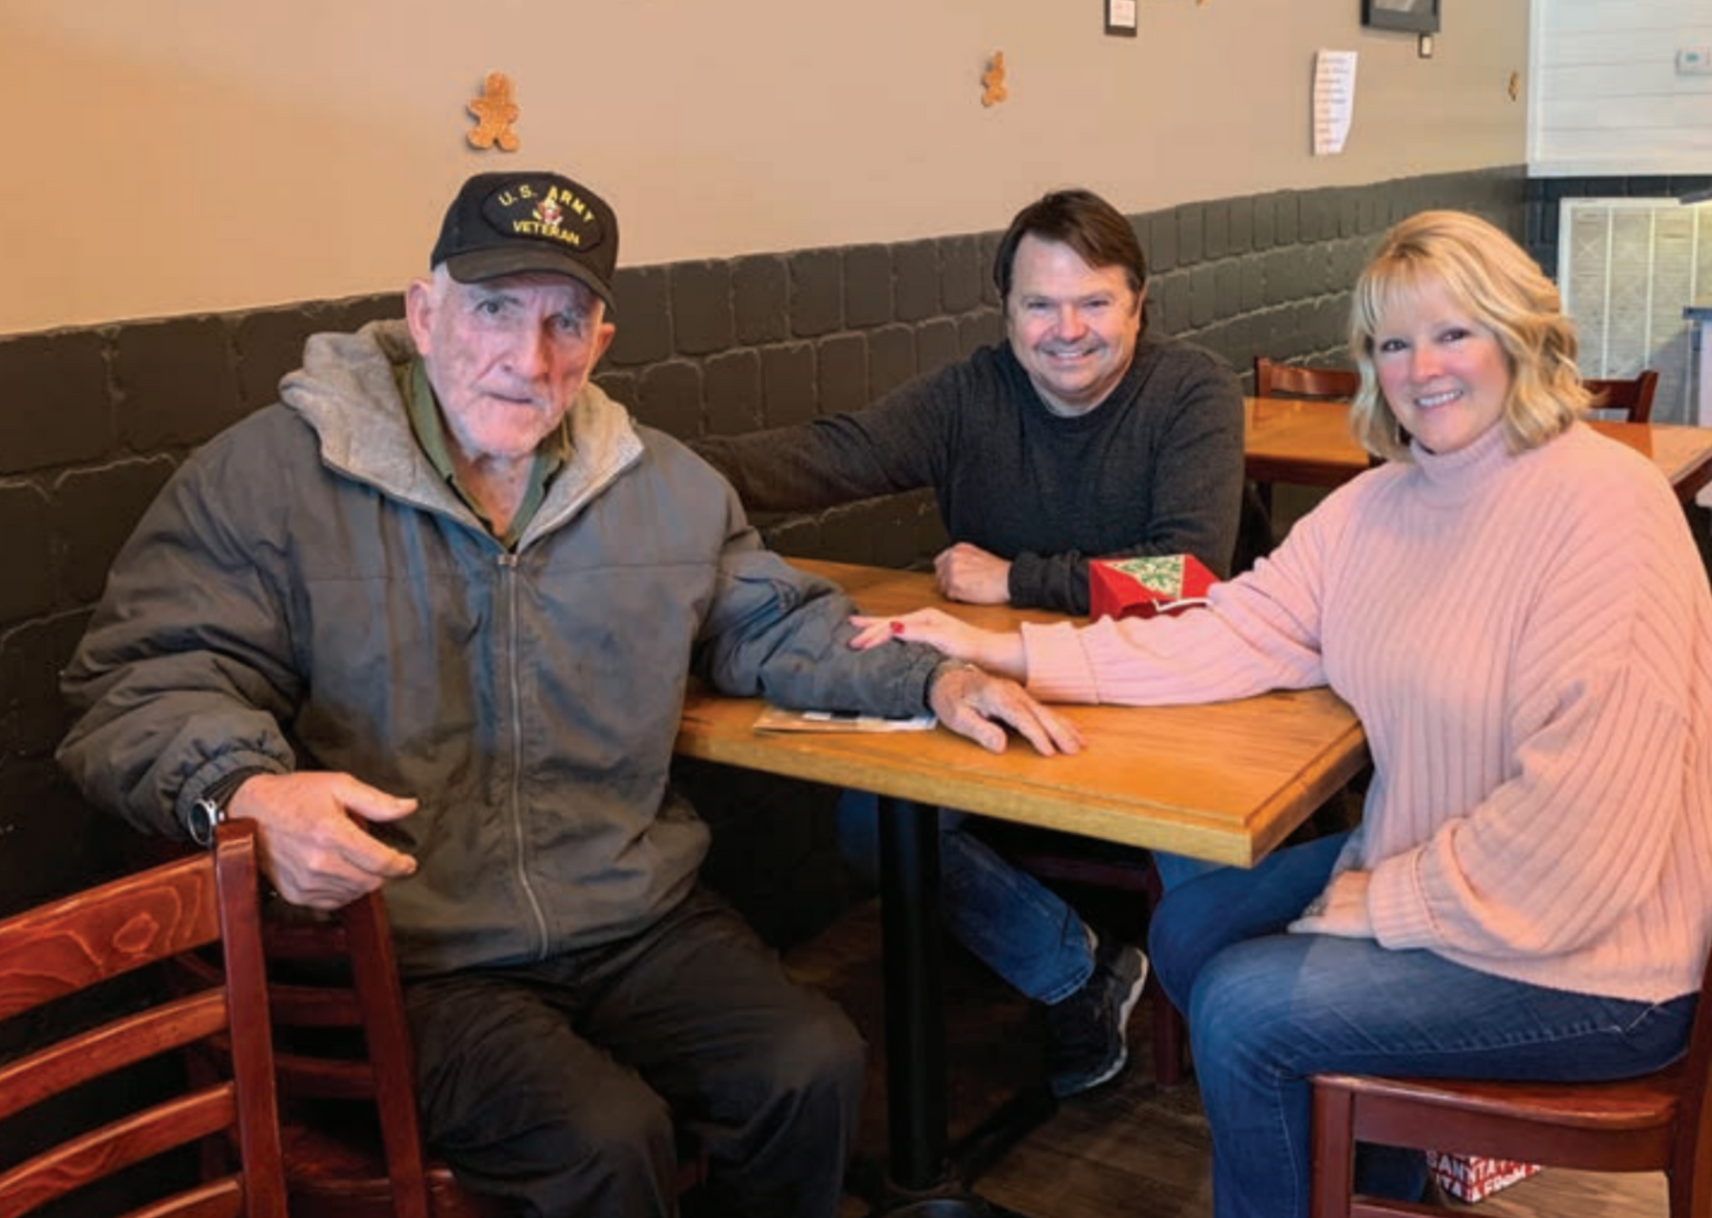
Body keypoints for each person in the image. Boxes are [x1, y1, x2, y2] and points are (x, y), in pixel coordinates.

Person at [55, 170, 1080, 1218]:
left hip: (631, 914)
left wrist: (933, 676)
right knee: (605, 1144)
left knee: (811, 1068)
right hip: (411, 950)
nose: (529, 358)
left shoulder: (660, 485)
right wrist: (247, 791)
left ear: (600, 342)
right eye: (494, 309)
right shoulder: (272, 478)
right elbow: (139, 682)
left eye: (565, 322)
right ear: (424, 313)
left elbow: (772, 623)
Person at [846, 210, 1712, 1217]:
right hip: (1450, 860)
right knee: (1190, 928)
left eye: (1454, 333)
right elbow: (1227, 625)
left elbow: (1584, 844)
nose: (1421, 370)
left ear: (1521, 334)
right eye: (1392, 344)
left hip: (1601, 955)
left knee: (1243, 1013)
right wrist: (1006, 650)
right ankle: (1373, 1173)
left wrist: (1388, 903)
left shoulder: (1607, 507)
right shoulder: (1384, 502)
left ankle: (1350, 1166)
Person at [692, 187, 1246, 1098]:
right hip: (1001, 685)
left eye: (1095, 302)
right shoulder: (969, 395)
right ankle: (1078, 970)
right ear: (1007, 311)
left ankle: (1229, 1068)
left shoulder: (1193, 391)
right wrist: (645, 456)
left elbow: (1185, 575)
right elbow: (830, 453)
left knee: (1209, 872)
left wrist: (1018, 578)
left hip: (1162, 692)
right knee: (870, 823)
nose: (1067, 330)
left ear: (1139, 304)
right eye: (1040, 304)